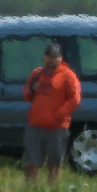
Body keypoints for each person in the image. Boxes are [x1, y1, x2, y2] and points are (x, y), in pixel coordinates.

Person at [23, 41, 81, 183]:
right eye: (49, 56)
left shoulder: (68, 76)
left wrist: (59, 114)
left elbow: (75, 99)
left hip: (57, 128)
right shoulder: (37, 74)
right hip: (35, 126)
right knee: (31, 163)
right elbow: (26, 94)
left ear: (61, 58)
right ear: (44, 58)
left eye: (55, 56)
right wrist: (32, 90)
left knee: (54, 165)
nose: (51, 60)